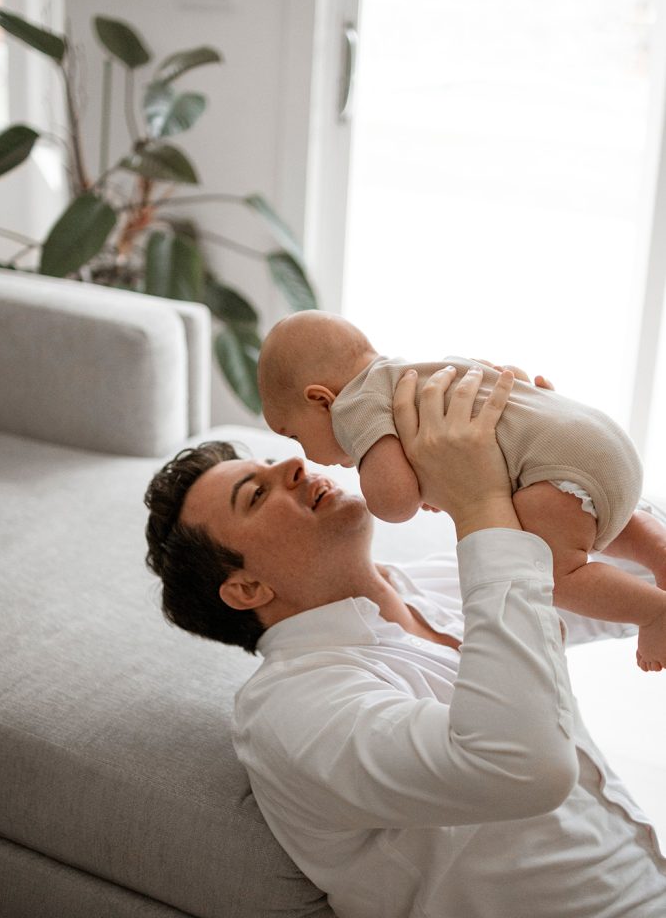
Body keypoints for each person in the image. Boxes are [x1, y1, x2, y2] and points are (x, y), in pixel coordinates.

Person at [144, 365, 666, 918]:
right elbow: (524, 768)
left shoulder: (438, 584)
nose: (295, 463)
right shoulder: (290, 711)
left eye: (275, 462)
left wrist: (551, 470)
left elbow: (637, 574)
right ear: (247, 587)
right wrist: (481, 504)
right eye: (256, 494)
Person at [257, 310, 666, 671]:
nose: (305, 455)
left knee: (553, 570)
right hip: (601, 440)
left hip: (562, 468)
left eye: (294, 434)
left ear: (321, 400)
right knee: (592, 519)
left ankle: (653, 614)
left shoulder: (354, 408)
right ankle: (659, 556)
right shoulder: (416, 371)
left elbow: (395, 502)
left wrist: (395, 484)